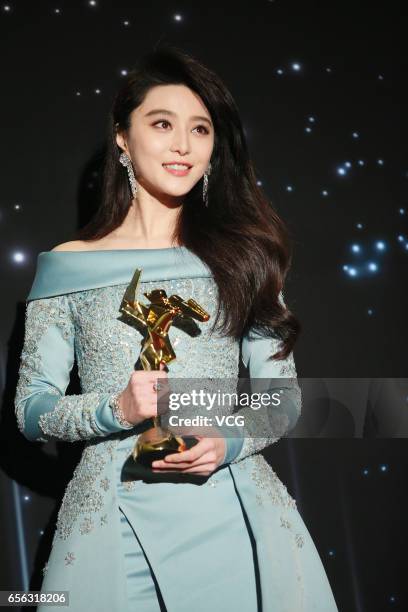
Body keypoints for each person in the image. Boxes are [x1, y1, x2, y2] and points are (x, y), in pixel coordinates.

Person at [15, 46, 338, 611]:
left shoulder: (243, 258)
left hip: (233, 513)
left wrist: (229, 439)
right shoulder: (67, 264)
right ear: (122, 136)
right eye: (162, 124)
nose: (183, 145)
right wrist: (112, 410)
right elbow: (30, 410)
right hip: (110, 519)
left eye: (201, 129)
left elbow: (283, 397)